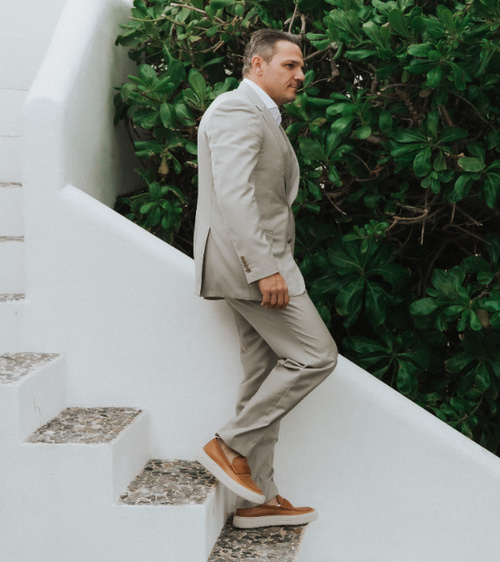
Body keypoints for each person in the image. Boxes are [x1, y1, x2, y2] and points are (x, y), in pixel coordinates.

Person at [193, 29, 337, 529]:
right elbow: (234, 197)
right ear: (257, 64)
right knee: (316, 356)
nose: (301, 75)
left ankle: (260, 498)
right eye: (290, 65)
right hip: (253, 269)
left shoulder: (260, 114)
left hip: (258, 266)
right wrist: (265, 269)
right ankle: (229, 445)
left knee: (262, 375)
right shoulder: (237, 110)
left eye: (302, 67)